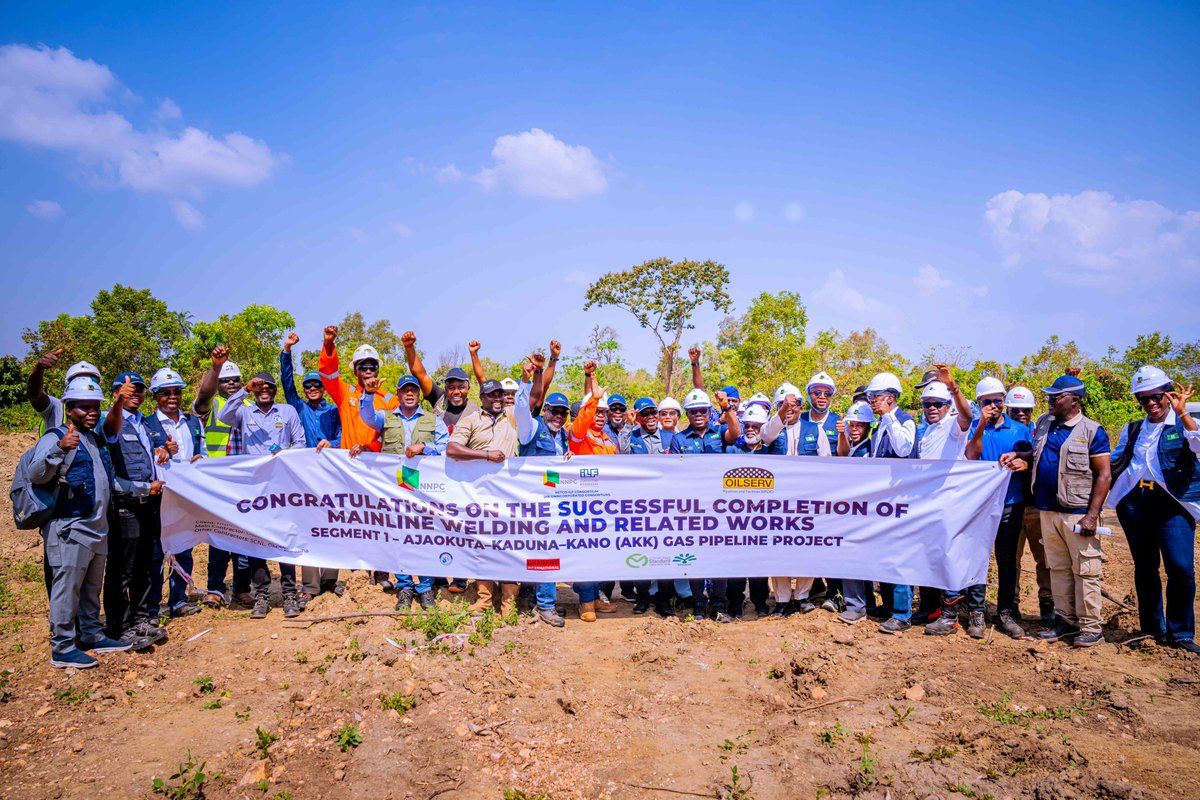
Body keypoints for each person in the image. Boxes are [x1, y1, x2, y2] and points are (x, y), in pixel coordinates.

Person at [30, 377, 163, 668]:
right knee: (68, 588)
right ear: (68, 408)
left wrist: (144, 488)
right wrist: (60, 449)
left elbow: (111, 482)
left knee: (90, 588)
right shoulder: (55, 436)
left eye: (94, 407)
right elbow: (36, 474)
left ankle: (91, 634)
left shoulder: (94, 440)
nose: (91, 412)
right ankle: (62, 647)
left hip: (96, 526)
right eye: (84, 407)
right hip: (70, 527)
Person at [1001, 374, 1112, 648]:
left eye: (1056, 396)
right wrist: (1020, 456)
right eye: (1049, 396)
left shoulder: (1092, 431)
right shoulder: (1045, 423)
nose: (1050, 400)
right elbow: (1039, 454)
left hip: (1076, 511)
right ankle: (1065, 621)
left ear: (1074, 400)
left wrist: (1091, 515)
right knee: (1059, 569)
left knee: (1085, 570)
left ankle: (1090, 626)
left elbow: (1104, 475)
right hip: (1047, 509)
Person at [927, 376, 1030, 639]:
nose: (993, 405)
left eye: (997, 401)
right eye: (987, 402)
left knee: (1007, 560)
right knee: (972, 557)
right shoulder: (970, 426)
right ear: (979, 402)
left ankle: (1006, 613)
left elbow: (1031, 455)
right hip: (975, 505)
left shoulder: (1019, 430)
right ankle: (974, 614)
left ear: (1004, 401)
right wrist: (982, 422)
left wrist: (1021, 460)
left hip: (1010, 502)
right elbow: (971, 455)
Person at [1106, 367, 1199, 653]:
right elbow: (1115, 460)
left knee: (1180, 568)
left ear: (1170, 393)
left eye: (1156, 396)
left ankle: (1180, 633)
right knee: (1145, 567)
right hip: (1136, 502)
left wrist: (1183, 414)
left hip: (1173, 504)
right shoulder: (1133, 427)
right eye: (1143, 399)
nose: (1151, 404)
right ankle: (1150, 627)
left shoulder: (1186, 422)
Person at [219, 371, 316, 619]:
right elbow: (224, 415)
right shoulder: (244, 411)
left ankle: (289, 595)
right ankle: (261, 595)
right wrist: (244, 391)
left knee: (285, 538)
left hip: (282, 487)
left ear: (274, 390)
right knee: (257, 542)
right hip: (253, 488)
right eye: (259, 387)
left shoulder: (287, 412)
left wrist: (283, 453)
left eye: (269, 386)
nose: (264, 390)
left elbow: (301, 443)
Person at [358, 372, 450, 612]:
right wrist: (368, 393)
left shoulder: (433, 420)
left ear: (419, 395)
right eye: (405, 390)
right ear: (398, 395)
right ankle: (405, 587)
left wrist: (424, 448)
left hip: (424, 489)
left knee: (425, 537)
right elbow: (366, 415)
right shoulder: (385, 418)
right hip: (394, 489)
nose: (409, 394)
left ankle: (425, 588)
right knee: (399, 537)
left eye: (414, 390)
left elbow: (445, 447)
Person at [319, 324, 398, 590]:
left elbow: (394, 434)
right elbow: (327, 374)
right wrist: (329, 345)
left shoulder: (389, 399)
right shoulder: (345, 393)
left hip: (378, 468)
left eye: (372, 367)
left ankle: (382, 574)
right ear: (355, 370)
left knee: (379, 520)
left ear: (378, 369)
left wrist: (371, 448)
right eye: (363, 367)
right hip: (348, 469)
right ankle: (356, 574)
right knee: (352, 521)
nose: (368, 371)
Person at [840, 372, 917, 632]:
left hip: (900, 502)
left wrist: (889, 416)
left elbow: (903, 449)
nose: (871, 400)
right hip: (882, 503)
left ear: (891, 398)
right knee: (883, 555)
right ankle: (884, 607)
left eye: (875, 396)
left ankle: (902, 614)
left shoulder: (905, 421)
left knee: (898, 558)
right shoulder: (882, 424)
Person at [103, 372, 168, 649]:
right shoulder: (113, 420)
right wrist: (118, 402)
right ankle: (120, 626)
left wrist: (164, 450)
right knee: (122, 570)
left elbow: (150, 455)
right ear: (117, 392)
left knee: (144, 566)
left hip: (149, 506)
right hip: (125, 506)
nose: (136, 394)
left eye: (140, 390)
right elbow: (110, 432)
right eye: (130, 390)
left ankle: (142, 620)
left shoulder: (143, 422)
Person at [447, 379, 521, 616]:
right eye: (492, 395)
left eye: (500, 394)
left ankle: (509, 603)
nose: (498, 399)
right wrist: (486, 455)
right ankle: (484, 600)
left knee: (511, 547)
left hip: (510, 496)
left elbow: (536, 396)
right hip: (480, 497)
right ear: (482, 398)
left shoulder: (513, 415)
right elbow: (452, 449)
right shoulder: (470, 420)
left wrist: (540, 370)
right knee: (483, 546)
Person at [666, 388, 741, 622]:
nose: (698, 414)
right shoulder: (678, 439)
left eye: (702, 410)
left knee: (719, 556)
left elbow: (736, 433)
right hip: (692, 508)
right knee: (695, 555)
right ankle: (699, 604)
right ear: (687, 414)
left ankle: (719, 605)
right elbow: (674, 474)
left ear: (709, 412)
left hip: (721, 506)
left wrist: (726, 407)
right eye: (692, 411)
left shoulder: (719, 432)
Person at [281, 333, 343, 606]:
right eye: (308, 386)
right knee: (308, 526)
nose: (312, 389)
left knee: (333, 524)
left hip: (332, 474)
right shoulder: (299, 408)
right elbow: (286, 383)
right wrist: (286, 351)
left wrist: (335, 443)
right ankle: (310, 586)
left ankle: (330, 580)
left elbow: (344, 435)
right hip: (305, 475)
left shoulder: (334, 410)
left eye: (317, 385)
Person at [910, 366, 973, 628]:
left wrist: (953, 388)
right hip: (927, 503)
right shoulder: (926, 430)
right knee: (928, 556)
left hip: (949, 503)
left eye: (937, 404)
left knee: (948, 556)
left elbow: (968, 417)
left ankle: (950, 616)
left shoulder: (953, 426)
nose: (932, 408)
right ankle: (930, 608)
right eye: (927, 404)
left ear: (948, 406)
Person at [142, 368, 206, 622]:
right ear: (155, 396)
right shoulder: (146, 424)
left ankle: (178, 599)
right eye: (165, 393)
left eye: (176, 392)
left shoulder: (192, 422)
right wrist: (159, 452)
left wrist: (201, 461)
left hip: (185, 497)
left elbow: (202, 453)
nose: (172, 397)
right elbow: (140, 459)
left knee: (183, 547)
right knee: (156, 551)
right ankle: (153, 606)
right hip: (157, 497)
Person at [192, 347, 254, 607]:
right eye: (225, 380)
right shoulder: (212, 405)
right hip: (218, 483)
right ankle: (215, 589)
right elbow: (202, 396)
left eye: (235, 380)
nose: (230, 383)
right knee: (219, 536)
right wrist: (216, 366)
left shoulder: (250, 406)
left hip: (245, 483)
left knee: (244, 537)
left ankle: (241, 588)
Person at [513, 351, 569, 628]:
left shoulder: (565, 437)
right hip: (532, 500)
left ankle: (535, 599)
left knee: (548, 550)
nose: (558, 416)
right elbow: (521, 410)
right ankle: (545, 605)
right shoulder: (531, 428)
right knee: (544, 550)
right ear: (544, 410)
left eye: (563, 412)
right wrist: (526, 380)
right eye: (554, 410)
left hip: (556, 500)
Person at [568, 360, 618, 621]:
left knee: (602, 552)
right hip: (583, 503)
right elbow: (580, 424)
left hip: (606, 504)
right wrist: (591, 398)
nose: (599, 415)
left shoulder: (608, 439)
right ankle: (586, 602)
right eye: (595, 411)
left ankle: (597, 596)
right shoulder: (579, 435)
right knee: (585, 551)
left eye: (603, 412)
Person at [1005, 385, 1053, 624]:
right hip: (1012, 506)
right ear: (1008, 410)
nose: (1021, 414)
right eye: (1016, 410)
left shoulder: (1041, 432)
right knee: (1011, 558)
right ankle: (1011, 605)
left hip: (1035, 505)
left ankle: (1047, 605)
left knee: (1044, 558)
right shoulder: (1004, 432)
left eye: (1026, 410)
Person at [403, 330, 479, 434]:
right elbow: (420, 375)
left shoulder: (476, 412)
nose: (456, 391)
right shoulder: (439, 397)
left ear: (468, 388)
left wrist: (474, 354)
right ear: (445, 389)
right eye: (451, 387)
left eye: (461, 387)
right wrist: (409, 347)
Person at [25, 348, 102, 432]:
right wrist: (39, 368)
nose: (85, 385)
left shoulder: (101, 416)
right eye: (79, 380)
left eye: (91, 381)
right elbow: (34, 395)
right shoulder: (56, 407)